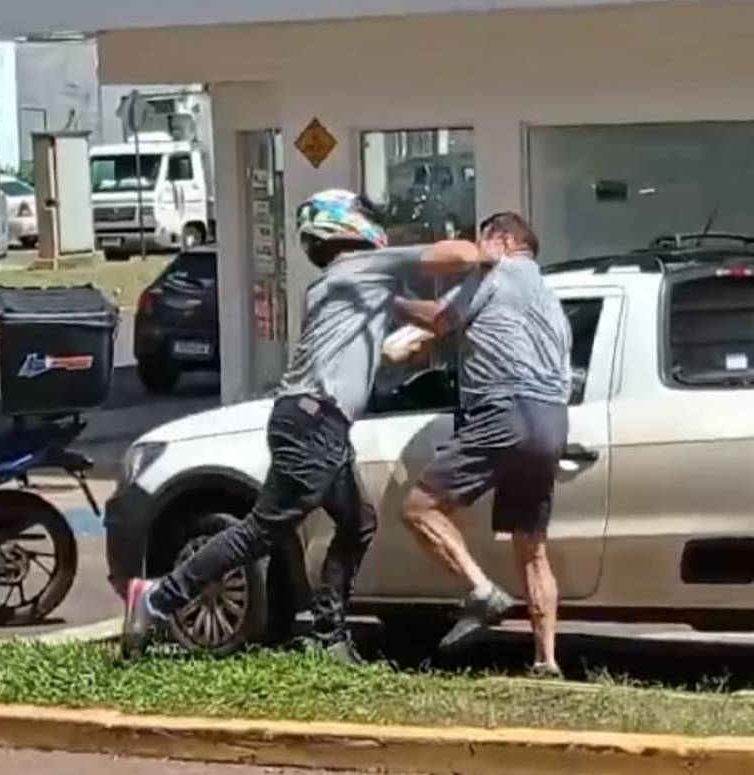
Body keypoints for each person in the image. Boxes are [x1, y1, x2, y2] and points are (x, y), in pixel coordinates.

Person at [121, 189, 492, 662]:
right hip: (314, 422)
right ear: (349, 224)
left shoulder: (342, 284)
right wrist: (488, 250)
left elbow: (424, 325)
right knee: (262, 530)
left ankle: (328, 635)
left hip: (318, 422)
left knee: (358, 523)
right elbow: (459, 256)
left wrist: (418, 314)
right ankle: (157, 598)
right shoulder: (365, 265)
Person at [393, 212, 571, 677]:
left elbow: (439, 319)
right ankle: (546, 660)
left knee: (419, 508)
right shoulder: (549, 296)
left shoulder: (495, 274)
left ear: (504, 240)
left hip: (505, 411)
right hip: (553, 419)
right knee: (532, 546)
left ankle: (482, 590)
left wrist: (389, 300)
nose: (474, 252)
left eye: (481, 241)